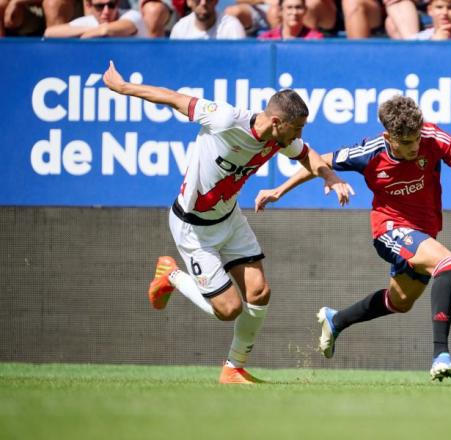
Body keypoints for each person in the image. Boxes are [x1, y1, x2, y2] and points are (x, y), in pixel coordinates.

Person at [102, 61, 353, 384]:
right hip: (193, 228)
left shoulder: (281, 138)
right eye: (297, 128)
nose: (300, 135)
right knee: (228, 309)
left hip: (229, 219)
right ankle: (171, 275)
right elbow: (172, 98)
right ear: (277, 122)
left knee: (259, 292)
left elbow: (307, 154)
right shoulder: (224, 118)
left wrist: (330, 177)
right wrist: (124, 88)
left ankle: (233, 369)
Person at [255, 96, 451, 381]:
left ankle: (336, 320)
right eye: (405, 143)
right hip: (389, 229)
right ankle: (441, 354)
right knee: (448, 263)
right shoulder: (369, 151)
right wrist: (278, 190)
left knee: (400, 302)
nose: (414, 147)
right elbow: (317, 161)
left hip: (422, 233)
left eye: (416, 139)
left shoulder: (434, 138)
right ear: (388, 137)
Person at [44, 0, 147, 37]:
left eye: (111, 5)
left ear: (117, 3)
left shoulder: (133, 15)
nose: (106, 11)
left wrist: (82, 35)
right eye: (100, 6)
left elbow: (105, 31)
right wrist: (92, 31)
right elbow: (49, 33)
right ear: (89, 5)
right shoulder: (89, 22)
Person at [170, 0, 246, 39]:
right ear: (189, 2)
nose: (203, 3)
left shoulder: (232, 27)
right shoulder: (180, 29)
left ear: (216, 1)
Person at [258, 0, 323, 39]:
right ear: (280, 11)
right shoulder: (267, 39)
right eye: (289, 8)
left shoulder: (315, 39)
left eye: (298, 8)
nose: (294, 12)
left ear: (305, 10)